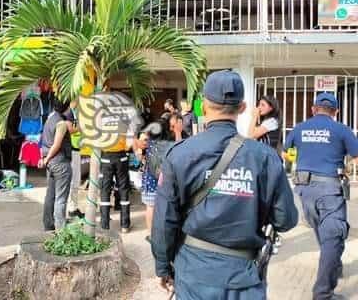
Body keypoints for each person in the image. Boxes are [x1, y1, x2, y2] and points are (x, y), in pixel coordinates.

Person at [152, 70, 298, 299]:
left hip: (194, 276)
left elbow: (164, 220)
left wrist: (162, 267)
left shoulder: (179, 155)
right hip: (245, 279)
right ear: (242, 108)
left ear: (204, 107)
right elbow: (286, 219)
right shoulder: (265, 157)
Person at [283, 92, 358, 300]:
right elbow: (357, 156)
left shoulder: (299, 128)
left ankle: (334, 265)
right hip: (329, 191)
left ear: (313, 109)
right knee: (333, 237)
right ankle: (323, 294)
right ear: (336, 112)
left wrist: (299, 161)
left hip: (304, 191)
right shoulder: (342, 130)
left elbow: (286, 152)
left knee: (325, 234)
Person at [137, 118, 174, 242]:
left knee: (150, 207)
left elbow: (139, 159)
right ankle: (165, 234)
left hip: (150, 180)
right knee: (165, 207)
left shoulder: (147, 143)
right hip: (166, 180)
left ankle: (151, 235)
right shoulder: (170, 144)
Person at [40, 99, 72, 231]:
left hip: (51, 163)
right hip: (59, 162)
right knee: (61, 198)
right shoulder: (61, 123)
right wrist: (46, 159)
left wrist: (45, 158)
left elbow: (45, 140)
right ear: (67, 107)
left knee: (51, 194)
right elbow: (57, 144)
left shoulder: (50, 117)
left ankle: (48, 224)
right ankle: (61, 229)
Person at [64, 99, 84, 219]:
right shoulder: (68, 114)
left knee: (76, 180)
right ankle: (71, 209)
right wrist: (81, 128)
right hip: (72, 150)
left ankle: (74, 207)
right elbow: (70, 130)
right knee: (73, 181)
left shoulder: (73, 112)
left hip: (76, 149)